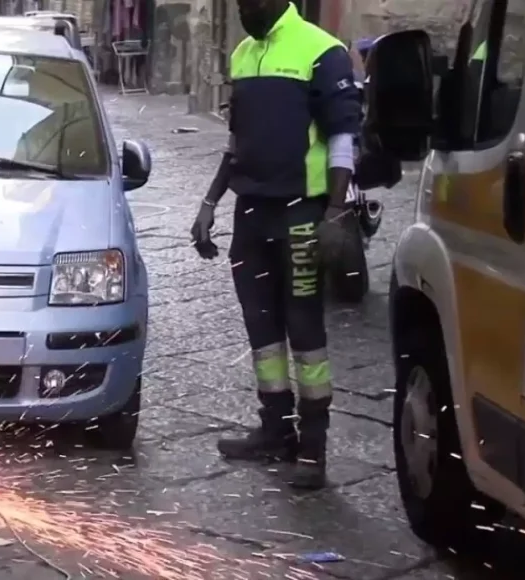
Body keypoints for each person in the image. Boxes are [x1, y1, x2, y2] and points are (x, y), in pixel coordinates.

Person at [190, 0, 360, 490]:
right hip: (252, 214)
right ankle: (275, 430)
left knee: (305, 330)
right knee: (261, 329)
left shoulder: (322, 51)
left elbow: (344, 136)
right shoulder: (244, 54)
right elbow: (236, 140)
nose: (245, 8)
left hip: (302, 214)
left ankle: (313, 448)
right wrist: (209, 201)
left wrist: (334, 210)